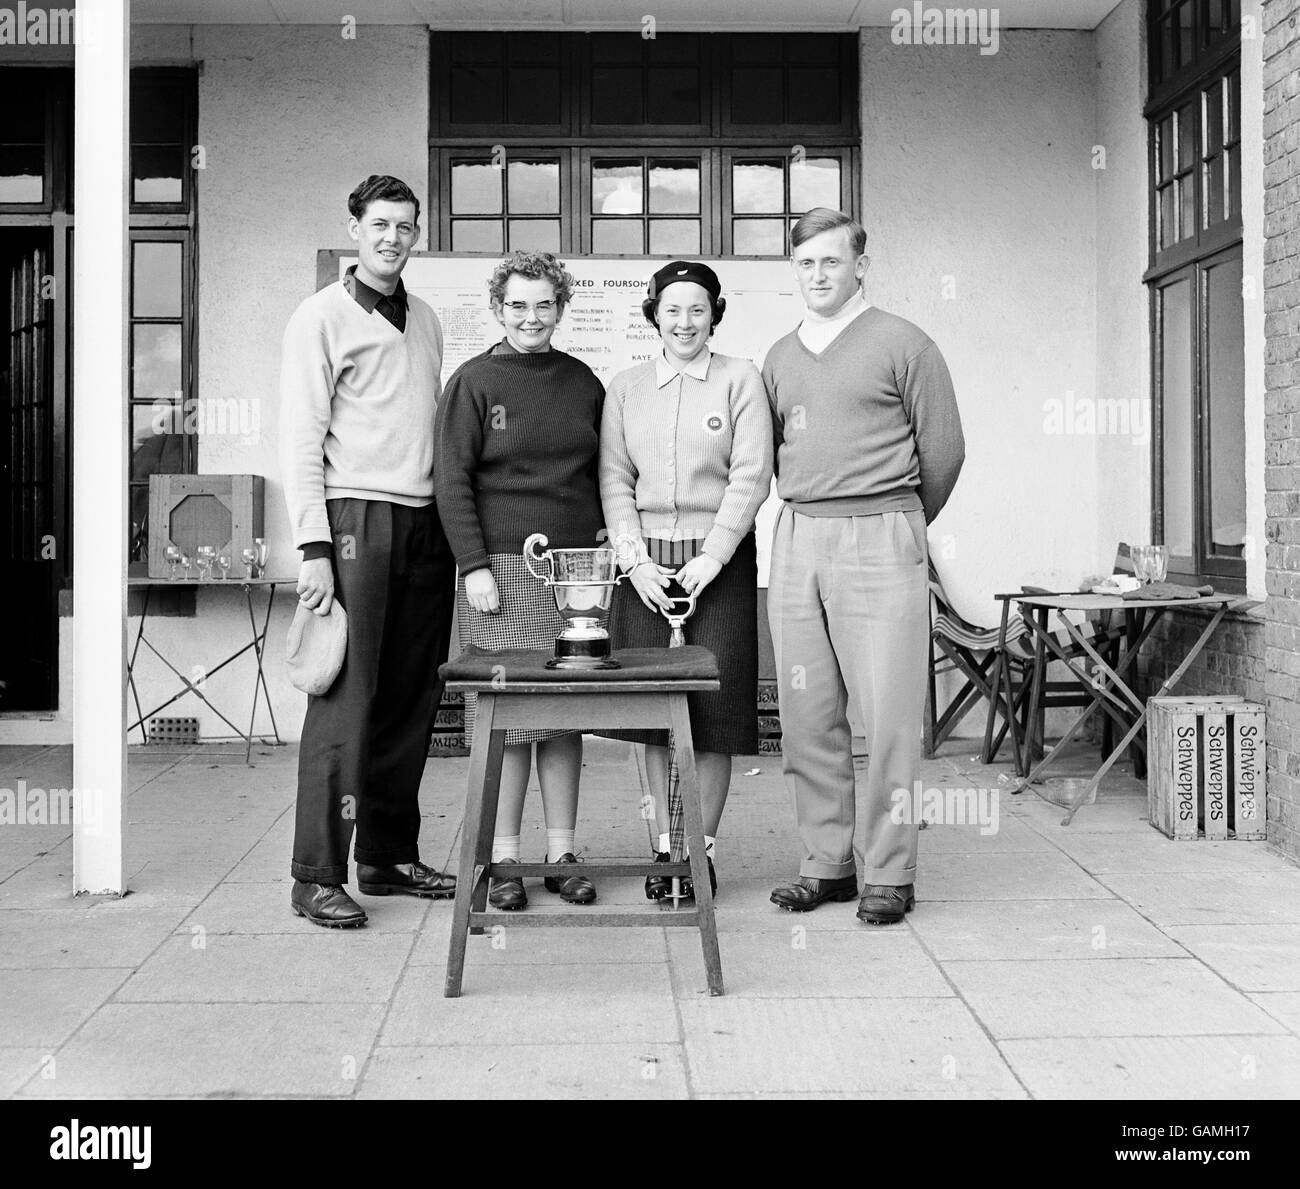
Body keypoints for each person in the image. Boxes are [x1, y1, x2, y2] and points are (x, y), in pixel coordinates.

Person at [763, 207, 965, 925]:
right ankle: (827, 863)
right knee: (806, 714)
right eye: (804, 264)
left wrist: (899, 526)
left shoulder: (905, 343)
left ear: (859, 265)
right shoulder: (781, 355)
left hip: (881, 532)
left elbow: (943, 453)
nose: (817, 275)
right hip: (798, 537)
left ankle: (888, 870)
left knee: (885, 718)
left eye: (829, 261)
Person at [279, 174, 457, 928]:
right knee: (345, 695)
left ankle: (385, 854)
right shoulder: (318, 317)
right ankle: (316, 871)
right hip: (354, 521)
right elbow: (299, 439)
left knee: (410, 696)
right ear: (354, 228)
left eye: (406, 227)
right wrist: (314, 546)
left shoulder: (426, 319)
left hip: (425, 524)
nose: (393, 238)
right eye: (380, 224)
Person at [435, 250, 606, 911]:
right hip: (499, 573)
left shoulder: (583, 381)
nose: (531, 316)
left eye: (544, 304)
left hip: (575, 576)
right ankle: (503, 856)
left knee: (565, 716)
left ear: (561, 307)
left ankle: (560, 853)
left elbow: (598, 473)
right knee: (506, 718)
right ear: (497, 309)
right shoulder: (474, 381)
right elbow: (450, 480)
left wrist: (597, 559)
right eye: (518, 304)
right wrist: (473, 564)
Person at [600, 260, 773, 902]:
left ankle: (700, 852)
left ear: (715, 313)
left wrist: (713, 556)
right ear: (654, 313)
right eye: (672, 309)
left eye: (697, 308)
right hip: (643, 567)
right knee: (653, 713)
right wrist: (634, 559)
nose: (684, 321)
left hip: (717, 567)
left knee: (716, 711)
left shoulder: (741, 380)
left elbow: (751, 476)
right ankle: (663, 852)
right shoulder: (625, 387)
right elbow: (613, 478)